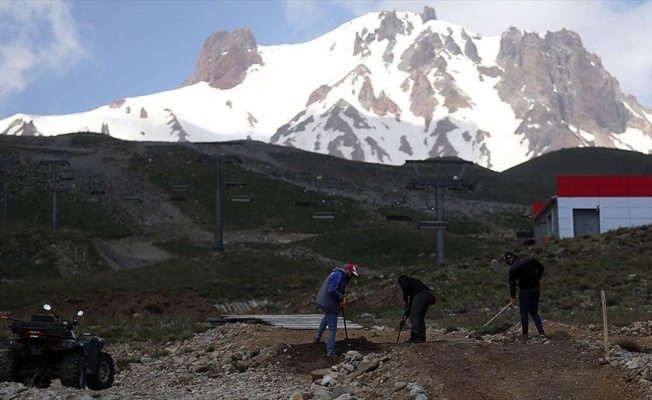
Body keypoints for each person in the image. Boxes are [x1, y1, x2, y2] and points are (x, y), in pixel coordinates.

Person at [313, 263, 359, 356]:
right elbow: (332, 290)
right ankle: (330, 351)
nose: (352, 276)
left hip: (324, 301)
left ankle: (317, 337)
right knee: (332, 328)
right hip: (328, 302)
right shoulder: (339, 276)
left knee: (327, 317)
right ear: (348, 271)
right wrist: (341, 297)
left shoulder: (340, 275)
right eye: (352, 274)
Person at [503, 251, 545, 339]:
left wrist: (513, 296)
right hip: (536, 289)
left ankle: (525, 334)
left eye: (507, 261)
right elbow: (541, 267)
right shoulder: (530, 259)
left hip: (525, 291)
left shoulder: (513, 268)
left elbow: (512, 284)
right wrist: (539, 278)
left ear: (510, 259)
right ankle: (541, 333)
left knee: (524, 313)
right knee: (534, 312)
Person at [398, 275, 435, 344]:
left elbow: (405, 286)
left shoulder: (403, 280)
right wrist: (404, 319)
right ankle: (421, 337)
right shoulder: (413, 290)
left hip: (421, 295)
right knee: (419, 316)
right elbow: (410, 306)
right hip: (427, 296)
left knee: (414, 315)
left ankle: (415, 337)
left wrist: (405, 299)